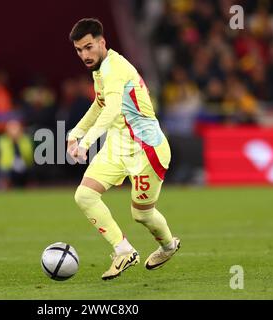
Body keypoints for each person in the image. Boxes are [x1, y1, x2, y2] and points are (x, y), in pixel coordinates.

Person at [67, 18, 180, 280]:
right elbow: (100, 103)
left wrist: (85, 143)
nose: (84, 54)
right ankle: (123, 250)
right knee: (84, 196)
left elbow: (114, 109)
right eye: (79, 50)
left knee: (142, 215)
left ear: (101, 42)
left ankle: (168, 246)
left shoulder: (114, 69)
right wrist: (77, 132)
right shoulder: (100, 69)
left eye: (88, 47)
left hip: (147, 150)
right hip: (118, 146)